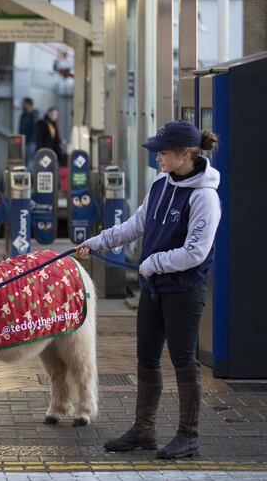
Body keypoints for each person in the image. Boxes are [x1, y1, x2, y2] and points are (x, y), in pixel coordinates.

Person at [77, 120, 220, 459]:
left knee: (184, 360)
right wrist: (97, 243)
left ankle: (189, 435)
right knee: (146, 357)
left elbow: (196, 251)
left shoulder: (205, 198)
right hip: (153, 288)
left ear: (186, 154)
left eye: (163, 152)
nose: (157, 158)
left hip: (184, 290)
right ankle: (144, 430)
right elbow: (136, 225)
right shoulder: (160, 183)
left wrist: (154, 263)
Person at [18, 97, 39, 163]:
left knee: (30, 160)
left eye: (24, 104)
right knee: (24, 160)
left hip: (31, 143)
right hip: (23, 142)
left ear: (28, 105)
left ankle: (30, 173)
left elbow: (35, 130)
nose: (22, 105)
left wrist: (31, 141)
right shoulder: (23, 115)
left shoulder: (34, 115)